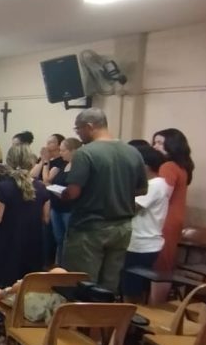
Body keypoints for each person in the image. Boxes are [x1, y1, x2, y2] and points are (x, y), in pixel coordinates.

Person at [60, 108, 147, 293]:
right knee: (109, 285)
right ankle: (105, 312)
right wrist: (117, 192)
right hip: (122, 228)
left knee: (82, 282)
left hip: (90, 228)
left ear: (89, 126)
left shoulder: (86, 153)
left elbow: (73, 192)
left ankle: (81, 311)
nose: (78, 134)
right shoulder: (133, 152)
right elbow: (142, 189)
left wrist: (62, 195)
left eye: (78, 129)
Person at [0, 144, 51, 289]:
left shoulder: (3, 187)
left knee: (2, 286)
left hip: (7, 244)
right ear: (31, 162)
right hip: (32, 243)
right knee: (27, 287)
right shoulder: (41, 188)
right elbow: (46, 218)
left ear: (9, 163)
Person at [121, 146, 171, 301]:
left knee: (132, 289)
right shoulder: (153, 183)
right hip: (139, 242)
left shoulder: (154, 185)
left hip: (142, 244)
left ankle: (131, 315)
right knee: (131, 286)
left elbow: (130, 208)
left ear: (145, 166)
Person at [152, 128, 194, 273]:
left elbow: (161, 195)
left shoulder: (168, 166)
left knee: (160, 262)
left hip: (165, 218)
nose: (155, 147)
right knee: (167, 259)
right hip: (175, 218)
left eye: (159, 143)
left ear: (172, 145)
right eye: (154, 142)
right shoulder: (181, 167)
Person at [31, 133, 67, 264]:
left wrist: (46, 162)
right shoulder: (44, 159)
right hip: (38, 198)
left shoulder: (61, 161)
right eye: (47, 142)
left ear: (59, 145)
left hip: (52, 199)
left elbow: (47, 180)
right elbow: (32, 175)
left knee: (51, 232)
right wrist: (42, 161)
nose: (47, 145)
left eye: (51, 142)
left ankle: (50, 261)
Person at [47, 137, 81, 266]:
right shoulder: (63, 164)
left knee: (69, 240)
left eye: (63, 150)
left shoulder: (79, 167)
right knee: (59, 239)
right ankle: (59, 265)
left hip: (69, 209)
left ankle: (67, 266)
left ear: (73, 151)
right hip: (56, 207)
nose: (60, 153)